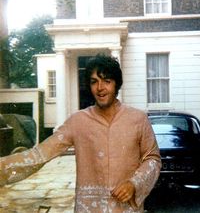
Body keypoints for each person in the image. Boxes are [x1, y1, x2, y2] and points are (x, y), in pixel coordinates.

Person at [0, 54, 162, 213]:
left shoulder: (137, 119)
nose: (100, 88)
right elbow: (39, 154)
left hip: (126, 208)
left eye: (107, 81)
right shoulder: (78, 121)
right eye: (94, 82)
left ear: (116, 84)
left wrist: (134, 183)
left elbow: (153, 159)